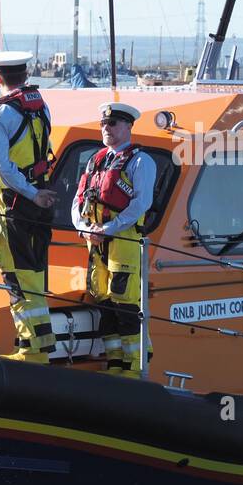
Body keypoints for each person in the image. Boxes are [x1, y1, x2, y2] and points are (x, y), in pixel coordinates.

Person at [0, 51, 58, 363]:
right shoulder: (41, 107)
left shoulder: (0, 114)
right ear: (25, 75)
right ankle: (36, 345)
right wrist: (38, 193)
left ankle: (32, 351)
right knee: (32, 272)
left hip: (15, 202)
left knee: (18, 274)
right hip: (40, 197)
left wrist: (30, 194)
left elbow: (3, 167)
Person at [71, 102, 157, 378]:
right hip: (95, 242)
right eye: (103, 124)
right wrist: (82, 226)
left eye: (113, 124)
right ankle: (115, 363)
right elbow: (79, 199)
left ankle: (134, 366)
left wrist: (107, 228)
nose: (106, 128)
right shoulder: (95, 160)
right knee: (104, 302)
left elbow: (139, 205)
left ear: (128, 126)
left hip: (124, 242)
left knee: (127, 303)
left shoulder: (141, 161)